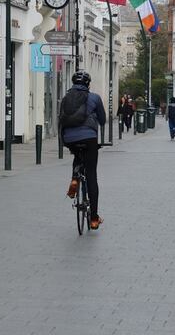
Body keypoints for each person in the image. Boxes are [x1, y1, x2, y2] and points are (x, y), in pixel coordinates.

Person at [60, 70, 107, 229]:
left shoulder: (66, 98)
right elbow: (103, 120)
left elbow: (61, 120)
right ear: (88, 84)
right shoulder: (94, 97)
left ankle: (74, 179)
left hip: (70, 138)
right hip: (89, 138)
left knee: (77, 156)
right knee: (91, 175)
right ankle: (94, 218)